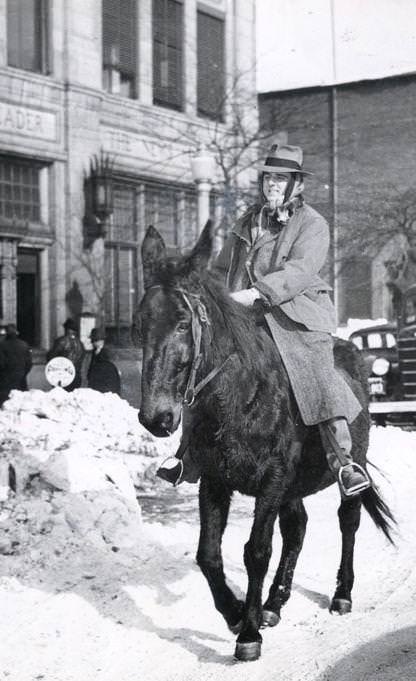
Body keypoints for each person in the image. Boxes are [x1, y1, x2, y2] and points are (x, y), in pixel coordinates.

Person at [156, 143, 371, 497]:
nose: (273, 184)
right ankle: (187, 456)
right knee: (204, 366)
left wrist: (257, 293)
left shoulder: (312, 224)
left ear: (296, 185)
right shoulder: (246, 221)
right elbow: (223, 267)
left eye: (281, 179)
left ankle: (343, 461)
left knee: (316, 374)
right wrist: (202, 286)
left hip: (297, 316)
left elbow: (299, 271)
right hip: (247, 317)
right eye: (269, 177)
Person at [0, 324, 33, 404]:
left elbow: (0, 363)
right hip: (21, 377)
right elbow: (29, 363)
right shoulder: (24, 344)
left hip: (7, 378)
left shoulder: (2, 345)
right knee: (21, 401)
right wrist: (24, 372)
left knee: (7, 401)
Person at [46, 318, 85, 391]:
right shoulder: (81, 344)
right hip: (76, 376)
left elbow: (51, 357)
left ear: (66, 329)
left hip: (62, 376)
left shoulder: (60, 341)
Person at [84, 327, 121, 395]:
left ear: (100, 341)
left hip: (105, 382)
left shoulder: (107, 351)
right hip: (96, 381)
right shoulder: (95, 351)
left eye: (94, 340)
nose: (92, 343)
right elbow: (92, 365)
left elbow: (108, 367)